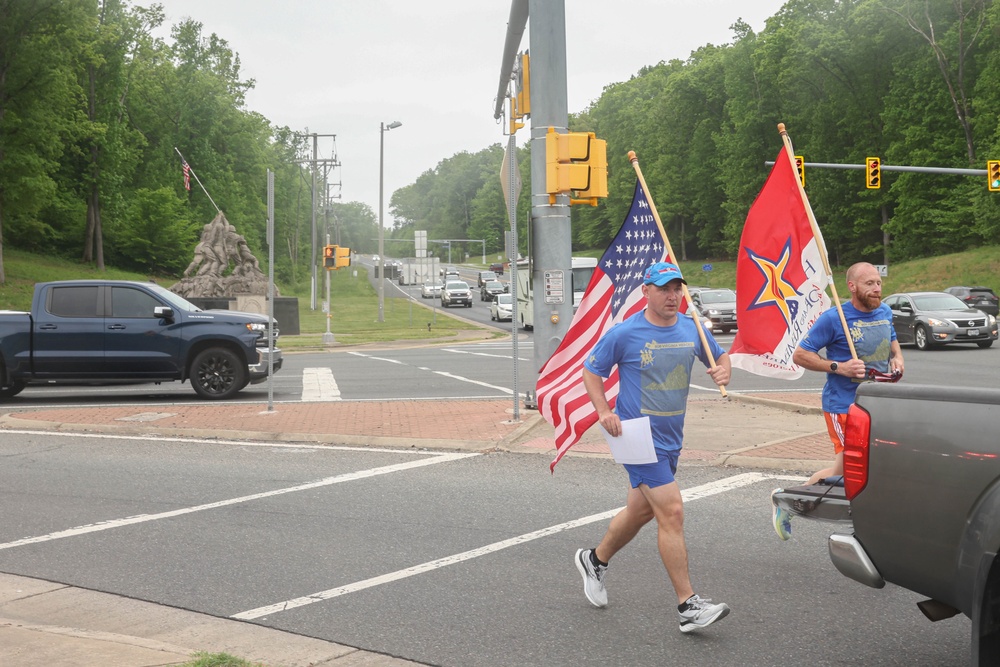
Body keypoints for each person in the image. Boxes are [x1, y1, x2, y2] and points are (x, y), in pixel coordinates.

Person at [575, 261, 733, 634]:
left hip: (671, 437)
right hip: (636, 436)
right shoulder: (627, 332)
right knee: (672, 512)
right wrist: (603, 410)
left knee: (641, 513)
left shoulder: (691, 327)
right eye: (664, 289)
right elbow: (591, 369)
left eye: (677, 288)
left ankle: (594, 560)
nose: (672, 296)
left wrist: (724, 369)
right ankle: (688, 605)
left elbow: (719, 356)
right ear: (646, 291)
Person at [771, 262, 903, 540]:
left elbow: (892, 340)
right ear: (852, 287)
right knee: (848, 472)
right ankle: (790, 502)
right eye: (869, 283)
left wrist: (898, 359)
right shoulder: (835, 318)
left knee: (844, 472)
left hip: (874, 404)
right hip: (842, 405)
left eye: (878, 282)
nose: (877, 288)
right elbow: (801, 355)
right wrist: (839, 367)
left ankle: (789, 500)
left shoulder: (885, 311)